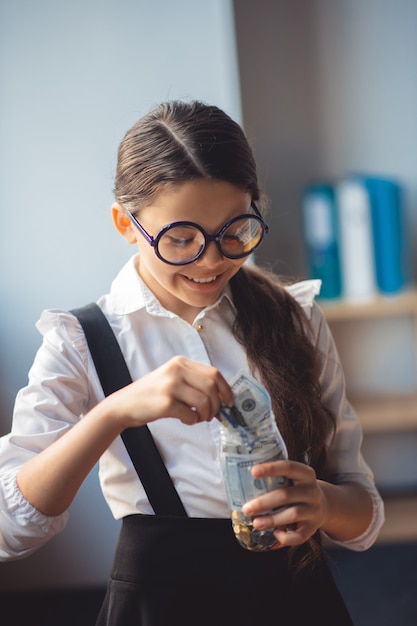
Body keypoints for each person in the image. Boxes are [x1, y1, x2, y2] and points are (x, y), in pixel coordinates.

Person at [0, 100, 384, 625]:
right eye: (181, 239)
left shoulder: (295, 317)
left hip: (294, 597)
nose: (210, 261)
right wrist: (114, 411)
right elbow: (10, 529)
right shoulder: (80, 341)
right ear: (125, 224)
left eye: (235, 232)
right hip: (158, 607)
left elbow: (362, 515)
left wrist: (322, 503)